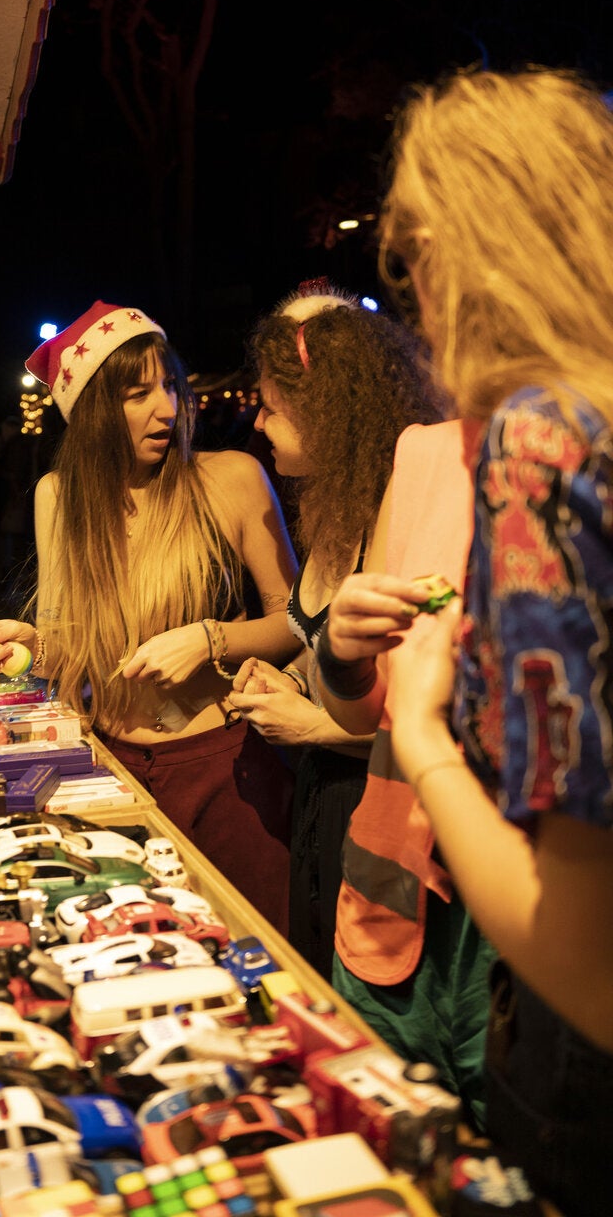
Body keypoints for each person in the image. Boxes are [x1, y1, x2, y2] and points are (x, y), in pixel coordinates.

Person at [320, 67, 613, 1217]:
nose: (416, 299)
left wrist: (431, 733)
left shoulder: (544, 447)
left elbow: (587, 962)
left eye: (409, 260)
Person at [0, 300, 299, 935]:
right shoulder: (59, 498)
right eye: (138, 392)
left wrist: (209, 639)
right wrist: (25, 647)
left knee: (262, 964)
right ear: (91, 412)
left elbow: (298, 620)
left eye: (170, 384)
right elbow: (67, 643)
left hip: (227, 771)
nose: (167, 408)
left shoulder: (232, 478)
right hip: (112, 771)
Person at [227, 289, 443, 979]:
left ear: (324, 409)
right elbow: (312, 636)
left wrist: (315, 727)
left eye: (268, 405)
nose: (257, 423)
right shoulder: (335, 502)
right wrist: (286, 679)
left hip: (384, 809)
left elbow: (429, 710)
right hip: (323, 802)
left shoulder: (403, 505)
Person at [318, 418, 495, 1130]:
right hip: (391, 890)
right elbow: (361, 711)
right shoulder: (423, 452)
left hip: (531, 906)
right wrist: (343, 651)